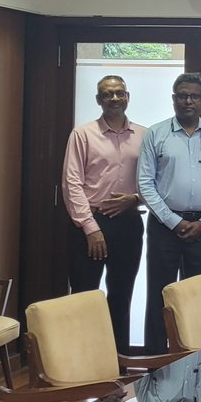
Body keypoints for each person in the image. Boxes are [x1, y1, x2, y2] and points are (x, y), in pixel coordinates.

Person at [138, 73, 201, 353]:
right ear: (174, 99)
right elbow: (145, 183)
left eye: (194, 96)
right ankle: (155, 359)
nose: (188, 100)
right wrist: (174, 221)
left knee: (199, 296)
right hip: (164, 227)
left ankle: (197, 357)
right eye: (182, 95)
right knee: (160, 294)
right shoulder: (156, 133)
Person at [61, 75, 146, 354]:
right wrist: (90, 228)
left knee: (121, 295)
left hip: (129, 225)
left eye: (119, 93)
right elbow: (71, 182)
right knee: (85, 296)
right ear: (98, 100)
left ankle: (117, 361)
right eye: (107, 94)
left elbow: (155, 183)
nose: (114, 99)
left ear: (127, 96)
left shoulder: (145, 136)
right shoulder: (83, 134)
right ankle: (82, 363)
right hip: (91, 225)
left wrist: (135, 199)